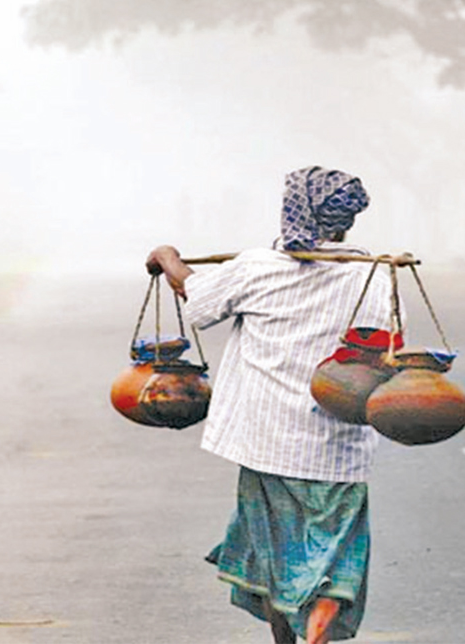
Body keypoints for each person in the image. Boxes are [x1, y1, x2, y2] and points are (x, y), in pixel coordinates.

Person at [145, 166, 394, 644]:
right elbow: (379, 344)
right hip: (337, 446)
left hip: (268, 442)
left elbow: (195, 296)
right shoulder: (370, 275)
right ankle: (324, 605)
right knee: (334, 549)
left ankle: (284, 637)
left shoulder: (257, 267)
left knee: (271, 553)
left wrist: (167, 256)